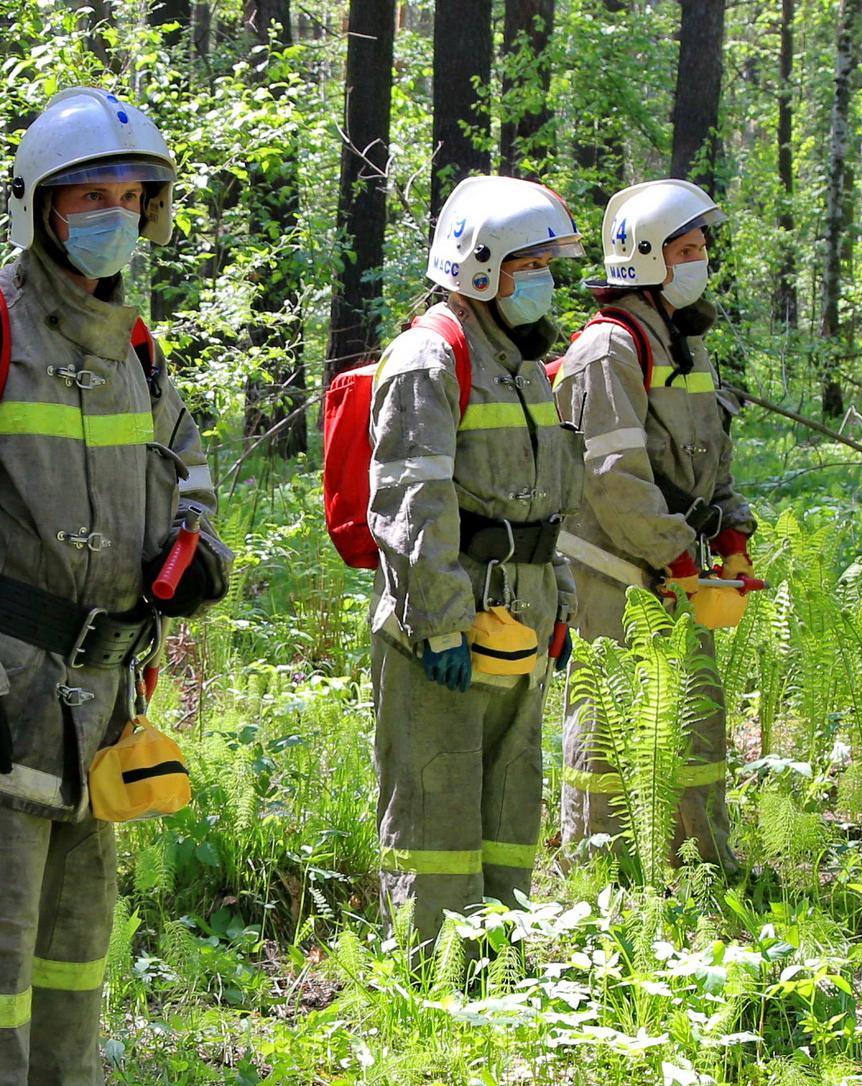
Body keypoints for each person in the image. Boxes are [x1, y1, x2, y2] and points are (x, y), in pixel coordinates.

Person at [0, 87, 230, 1085]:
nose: (113, 216)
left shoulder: (137, 354)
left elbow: (188, 476)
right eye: (88, 197)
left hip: (97, 711)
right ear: (38, 209)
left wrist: (197, 555)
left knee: (72, 972)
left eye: (129, 196)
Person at [360, 175, 588, 947]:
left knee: (509, 805)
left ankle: (501, 965)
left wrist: (558, 607)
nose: (545, 282)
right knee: (436, 806)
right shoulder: (428, 358)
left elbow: (550, 500)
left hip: (523, 619)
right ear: (481, 268)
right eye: (533, 265)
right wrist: (442, 623)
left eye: (548, 265)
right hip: (445, 625)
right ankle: (429, 983)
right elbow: (408, 502)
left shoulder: (525, 364)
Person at [553, 177, 752, 870]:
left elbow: (712, 454)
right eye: (687, 248)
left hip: (677, 563)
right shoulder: (608, 349)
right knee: (608, 715)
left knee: (695, 711)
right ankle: (598, 871)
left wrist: (730, 534)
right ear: (645, 256)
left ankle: (701, 865)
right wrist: (676, 558)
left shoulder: (688, 343)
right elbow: (613, 480)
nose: (701, 260)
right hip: (612, 565)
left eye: (702, 247)